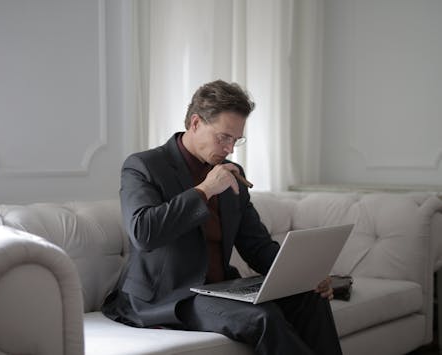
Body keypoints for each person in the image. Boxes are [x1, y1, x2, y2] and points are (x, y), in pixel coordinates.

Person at [103, 80, 342, 355]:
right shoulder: (144, 166)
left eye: (236, 139)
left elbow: (256, 245)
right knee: (263, 318)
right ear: (195, 123)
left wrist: (303, 275)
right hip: (167, 296)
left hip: (219, 289)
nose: (230, 148)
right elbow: (143, 232)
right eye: (223, 137)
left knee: (311, 299)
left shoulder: (232, 172)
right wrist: (204, 190)